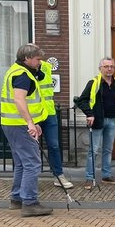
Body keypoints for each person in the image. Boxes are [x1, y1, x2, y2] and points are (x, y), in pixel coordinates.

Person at [0, 43, 52, 217]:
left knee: (22, 163)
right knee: (32, 163)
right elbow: (19, 100)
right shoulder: (23, 75)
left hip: (12, 124)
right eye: (37, 59)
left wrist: (33, 121)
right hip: (19, 125)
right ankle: (29, 203)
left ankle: (16, 199)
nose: (40, 62)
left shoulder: (15, 70)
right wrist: (30, 122)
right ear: (27, 58)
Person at [76, 57, 115, 189]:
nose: (109, 69)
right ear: (100, 68)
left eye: (111, 66)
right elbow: (81, 100)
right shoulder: (94, 83)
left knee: (108, 150)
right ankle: (89, 178)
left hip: (112, 121)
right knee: (93, 151)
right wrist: (90, 114)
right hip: (98, 121)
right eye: (106, 66)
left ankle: (107, 175)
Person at [38, 60, 73, 189]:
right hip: (33, 114)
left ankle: (59, 176)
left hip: (49, 112)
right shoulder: (23, 69)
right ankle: (29, 179)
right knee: (31, 147)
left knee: (54, 145)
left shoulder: (47, 66)